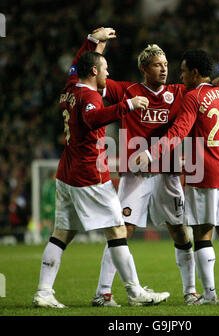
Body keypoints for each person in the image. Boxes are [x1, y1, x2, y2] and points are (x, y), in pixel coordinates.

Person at [33, 27, 170, 308]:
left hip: (66, 172)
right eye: (104, 67)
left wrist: (94, 42)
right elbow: (94, 119)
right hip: (89, 175)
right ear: (94, 72)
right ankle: (135, 292)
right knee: (118, 230)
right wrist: (127, 104)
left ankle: (44, 292)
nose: (108, 72)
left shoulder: (71, 86)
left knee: (61, 233)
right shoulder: (91, 98)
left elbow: (78, 62)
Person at [92, 42, 219, 306]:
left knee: (180, 231)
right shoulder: (126, 91)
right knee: (122, 230)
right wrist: (95, 47)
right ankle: (103, 293)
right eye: (158, 65)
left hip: (168, 173)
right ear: (145, 68)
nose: (164, 69)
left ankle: (190, 292)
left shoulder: (178, 92)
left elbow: (206, 93)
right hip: (136, 175)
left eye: (167, 65)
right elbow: (93, 75)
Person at [136, 48, 219, 305]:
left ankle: (209, 295)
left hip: (205, 169)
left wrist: (153, 153)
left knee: (201, 232)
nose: (180, 75)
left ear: (195, 73)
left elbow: (179, 130)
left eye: (184, 71)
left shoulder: (192, 97)